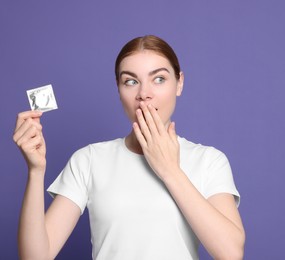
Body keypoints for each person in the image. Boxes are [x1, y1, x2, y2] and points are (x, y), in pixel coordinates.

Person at [13, 35, 245, 259]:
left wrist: (169, 169)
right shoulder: (89, 159)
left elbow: (231, 253)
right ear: (118, 88)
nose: (144, 94)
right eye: (131, 82)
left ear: (179, 83)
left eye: (159, 79)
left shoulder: (209, 160)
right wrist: (36, 171)